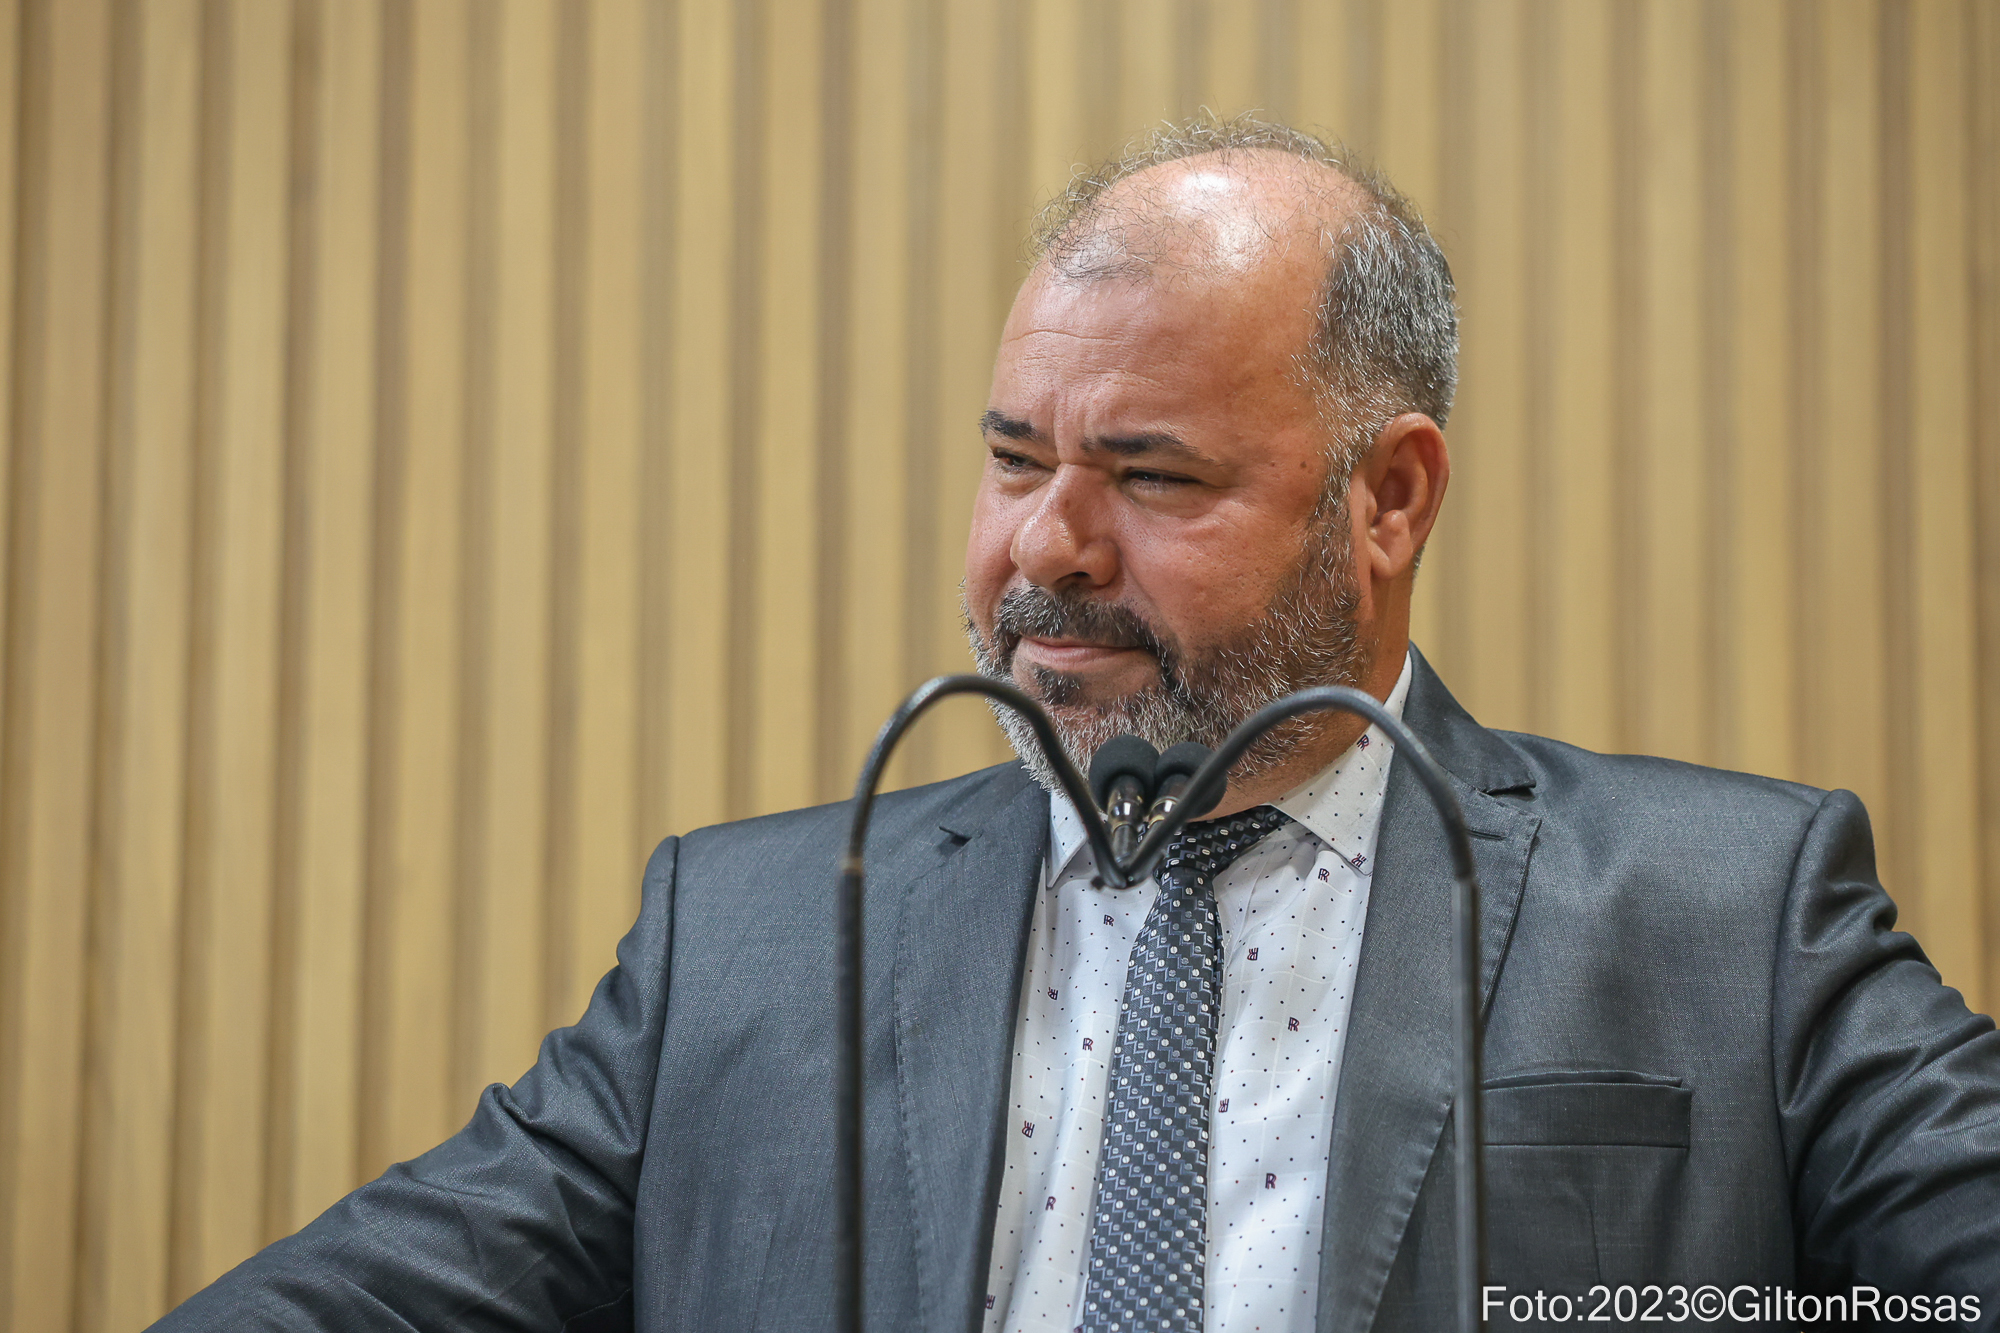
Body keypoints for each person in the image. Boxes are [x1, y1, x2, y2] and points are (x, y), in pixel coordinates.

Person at [151, 116, 2000, 1333]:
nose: (1045, 547)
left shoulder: (1733, 919)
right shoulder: (747, 942)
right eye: (1014, 456)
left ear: (1388, 499)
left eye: (1151, 473)